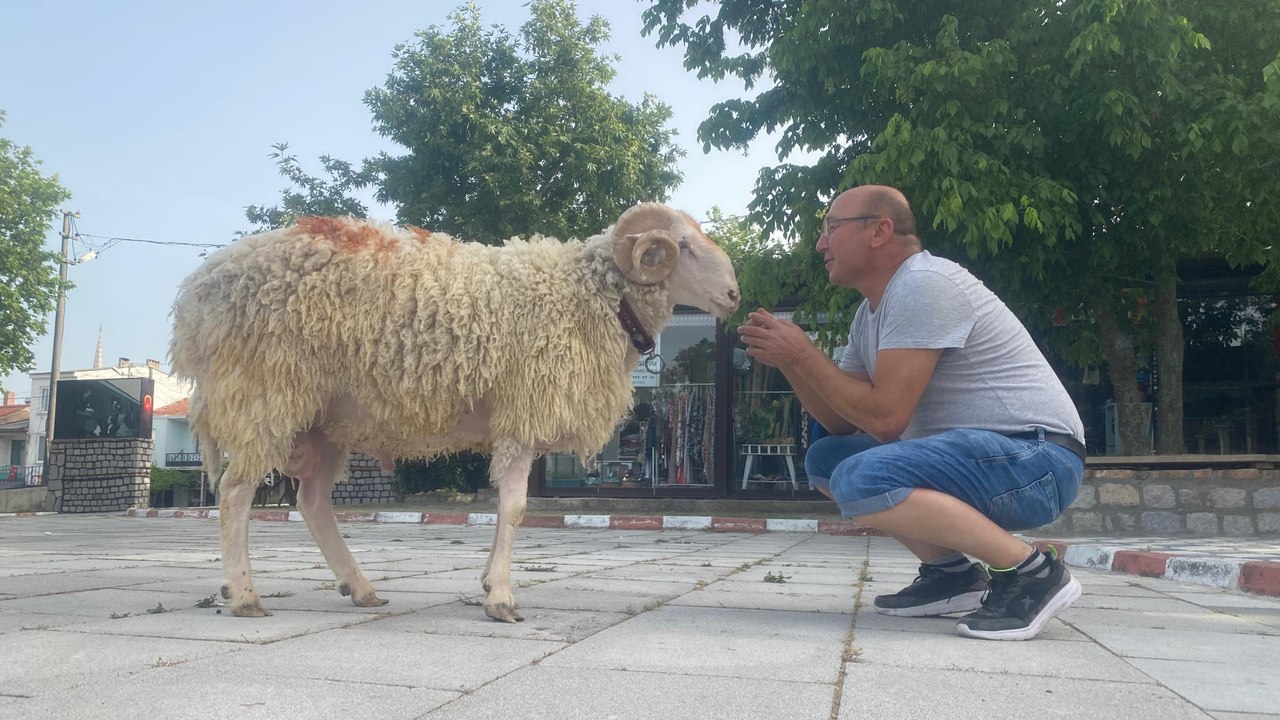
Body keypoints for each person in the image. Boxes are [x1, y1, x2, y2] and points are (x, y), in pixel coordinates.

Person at [737, 185, 1085, 641]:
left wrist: (805, 356)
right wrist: (792, 362)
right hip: (989, 459)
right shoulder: (871, 312)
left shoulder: (924, 284)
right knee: (828, 460)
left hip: (1035, 459)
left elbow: (885, 420)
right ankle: (952, 575)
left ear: (880, 230)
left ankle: (1032, 572)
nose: (821, 243)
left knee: (860, 477)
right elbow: (844, 421)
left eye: (831, 229)